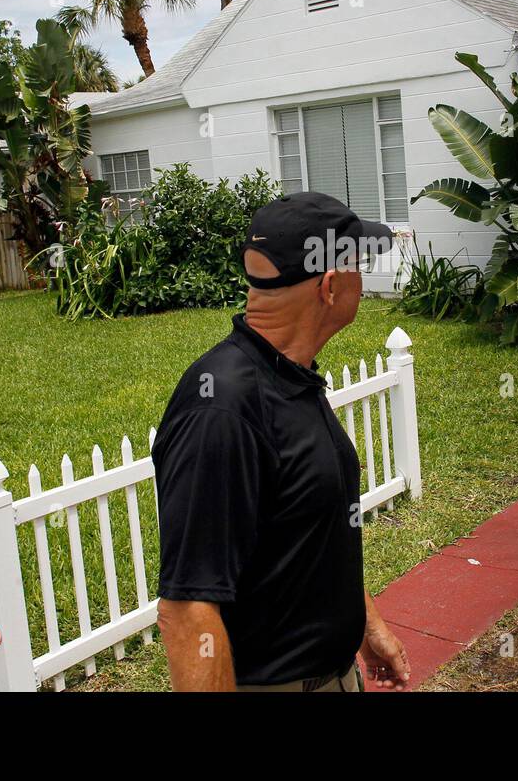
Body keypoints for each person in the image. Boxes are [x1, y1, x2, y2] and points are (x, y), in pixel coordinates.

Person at [153, 191, 412, 692]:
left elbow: (304, 531)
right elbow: (187, 609)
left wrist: (365, 625)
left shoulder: (290, 377)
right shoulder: (221, 409)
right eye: (358, 264)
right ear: (331, 286)